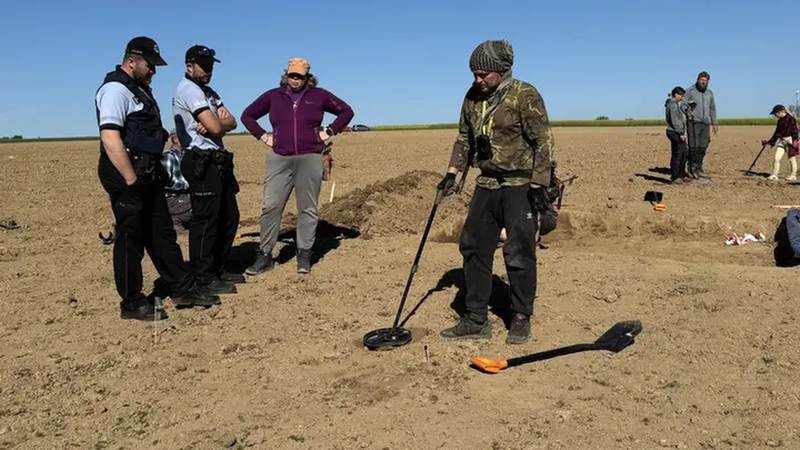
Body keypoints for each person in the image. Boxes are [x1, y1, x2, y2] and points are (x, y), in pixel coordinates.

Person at [437, 39, 555, 345]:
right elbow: (463, 138)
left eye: (483, 75)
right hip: (487, 182)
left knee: (518, 250)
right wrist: (452, 174)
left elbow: (543, 140)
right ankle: (476, 318)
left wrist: (540, 185)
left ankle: (520, 316)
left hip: (519, 185)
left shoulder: (524, 95)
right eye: (474, 74)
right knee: (473, 245)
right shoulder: (472, 97)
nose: (477, 80)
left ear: (501, 71)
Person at [95, 36, 221, 320]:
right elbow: (110, 137)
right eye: (150, 64)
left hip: (147, 172)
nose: (154, 70)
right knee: (131, 238)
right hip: (127, 173)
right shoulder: (115, 90)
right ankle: (131, 302)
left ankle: (182, 287)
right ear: (132, 60)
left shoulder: (139, 90)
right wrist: (130, 179)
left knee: (162, 232)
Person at [240, 57, 354, 275]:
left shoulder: (318, 96)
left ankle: (304, 254)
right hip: (279, 158)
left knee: (307, 209)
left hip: (310, 157)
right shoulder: (274, 96)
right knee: (270, 206)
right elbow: (248, 115)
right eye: (291, 75)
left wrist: (327, 132)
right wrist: (264, 137)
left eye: (299, 76)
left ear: (307, 77)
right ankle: (264, 256)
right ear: (286, 74)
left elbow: (346, 111)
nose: (294, 80)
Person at [173, 44, 243, 293]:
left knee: (229, 216)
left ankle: (219, 268)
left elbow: (231, 121)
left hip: (218, 159)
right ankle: (203, 274)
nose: (209, 70)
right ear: (189, 66)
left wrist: (218, 123)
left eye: (211, 66)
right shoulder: (189, 91)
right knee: (206, 220)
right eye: (204, 66)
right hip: (200, 159)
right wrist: (217, 123)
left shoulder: (209, 91)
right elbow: (214, 127)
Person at [684, 71, 718, 179]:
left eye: (705, 81)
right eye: (702, 80)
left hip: (705, 123)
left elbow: (712, 108)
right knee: (694, 146)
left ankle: (699, 167)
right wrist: (687, 111)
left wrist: (714, 123)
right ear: (698, 79)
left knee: (703, 146)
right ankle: (690, 168)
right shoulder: (690, 91)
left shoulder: (709, 93)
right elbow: (683, 104)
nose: (703, 82)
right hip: (693, 122)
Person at [161, 128, 192, 230]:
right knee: (199, 203)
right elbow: (164, 184)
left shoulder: (186, 155)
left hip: (183, 196)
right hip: (173, 198)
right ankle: (174, 220)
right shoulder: (168, 157)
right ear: (175, 139)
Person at [762, 104, 799, 181]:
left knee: (791, 158)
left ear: (780, 112)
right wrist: (769, 142)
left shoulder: (791, 119)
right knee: (776, 158)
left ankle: (793, 175)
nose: (775, 115)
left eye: (775, 114)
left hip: (790, 141)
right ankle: (775, 174)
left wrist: (795, 141)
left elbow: (795, 130)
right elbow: (776, 133)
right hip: (782, 141)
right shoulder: (780, 121)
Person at [665, 86, 692, 184]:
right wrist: (681, 133)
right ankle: (676, 177)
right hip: (674, 132)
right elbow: (675, 121)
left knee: (683, 153)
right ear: (676, 94)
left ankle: (682, 175)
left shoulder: (674, 104)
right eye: (681, 96)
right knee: (678, 154)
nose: (682, 98)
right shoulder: (672, 105)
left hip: (676, 132)